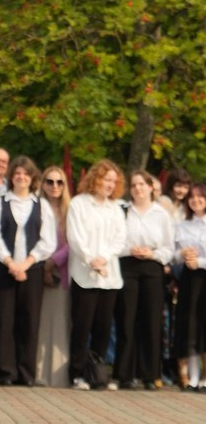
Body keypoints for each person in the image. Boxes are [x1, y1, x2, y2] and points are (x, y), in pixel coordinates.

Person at [0, 156, 57, 387]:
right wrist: (10, 263)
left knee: (29, 320)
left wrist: (25, 264)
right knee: (3, 321)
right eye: (17, 173)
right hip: (3, 267)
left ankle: (26, 373)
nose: (21, 177)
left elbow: (48, 241)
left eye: (26, 173)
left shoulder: (41, 205)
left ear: (32, 177)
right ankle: (4, 372)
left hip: (31, 270)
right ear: (11, 176)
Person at [66, 159, 127, 390]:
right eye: (106, 179)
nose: (110, 184)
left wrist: (104, 258)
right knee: (82, 326)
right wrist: (91, 259)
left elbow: (120, 239)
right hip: (85, 274)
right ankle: (78, 374)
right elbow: (75, 237)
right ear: (95, 178)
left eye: (114, 181)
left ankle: (98, 374)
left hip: (109, 276)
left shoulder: (116, 208)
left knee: (103, 327)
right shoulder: (79, 204)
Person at [116, 170, 173, 390]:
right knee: (126, 319)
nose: (138, 188)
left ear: (151, 187)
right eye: (134, 185)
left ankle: (150, 375)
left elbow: (168, 248)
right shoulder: (123, 211)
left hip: (152, 268)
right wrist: (130, 249)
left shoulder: (162, 215)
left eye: (142, 184)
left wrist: (153, 255)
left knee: (151, 321)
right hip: (128, 265)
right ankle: (125, 374)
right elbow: (115, 242)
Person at [36, 166, 72, 387]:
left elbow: (73, 243)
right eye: (50, 182)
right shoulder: (35, 208)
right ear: (43, 184)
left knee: (59, 322)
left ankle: (57, 376)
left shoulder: (71, 210)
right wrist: (42, 266)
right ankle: (38, 373)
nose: (54, 186)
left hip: (62, 271)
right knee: (39, 323)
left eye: (59, 182)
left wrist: (52, 263)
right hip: (36, 269)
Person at [173, 184, 206, 390]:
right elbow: (173, 254)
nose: (196, 200)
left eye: (200, 196)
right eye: (192, 198)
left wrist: (200, 262)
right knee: (190, 326)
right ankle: (192, 377)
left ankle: (204, 377)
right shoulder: (181, 225)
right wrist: (182, 255)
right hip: (189, 281)